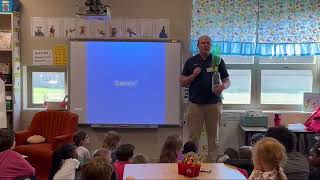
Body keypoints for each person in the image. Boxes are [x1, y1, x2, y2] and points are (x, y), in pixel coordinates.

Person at [180, 35, 230, 162]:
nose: (206, 45)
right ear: (198, 45)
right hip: (195, 105)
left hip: (214, 104)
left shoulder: (217, 60)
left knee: (214, 138)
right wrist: (193, 75)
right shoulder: (191, 61)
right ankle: (191, 162)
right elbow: (182, 82)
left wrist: (223, 86)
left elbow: (227, 80)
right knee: (193, 137)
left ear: (211, 46)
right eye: (203, 43)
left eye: (208, 43)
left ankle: (212, 164)